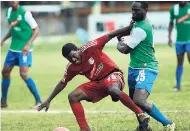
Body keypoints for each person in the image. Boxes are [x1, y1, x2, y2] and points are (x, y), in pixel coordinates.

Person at [37, 25, 150, 131]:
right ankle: (85, 129)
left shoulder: (91, 46)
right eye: (70, 59)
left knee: (113, 90)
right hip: (98, 83)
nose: (74, 60)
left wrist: (129, 28)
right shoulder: (72, 67)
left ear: (78, 49)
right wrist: (48, 100)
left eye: (74, 56)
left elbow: (110, 35)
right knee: (73, 96)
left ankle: (140, 114)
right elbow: (62, 83)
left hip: (113, 75)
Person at [117, 1, 175, 131]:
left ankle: (168, 123)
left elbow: (125, 49)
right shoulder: (138, 23)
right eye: (132, 10)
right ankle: (144, 127)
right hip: (133, 67)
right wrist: (122, 38)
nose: (133, 13)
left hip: (146, 67)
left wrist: (119, 43)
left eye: (137, 10)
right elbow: (125, 39)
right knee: (133, 100)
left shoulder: (141, 28)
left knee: (139, 100)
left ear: (146, 10)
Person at [1, 1, 41, 108]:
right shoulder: (8, 11)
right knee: (5, 72)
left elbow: (36, 29)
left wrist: (28, 44)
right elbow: (12, 29)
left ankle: (39, 101)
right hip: (13, 48)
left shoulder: (25, 13)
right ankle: (3, 102)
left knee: (23, 74)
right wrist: (3, 39)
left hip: (24, 49)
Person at [168, 1, 190, 91]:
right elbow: (171, 23)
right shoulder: (174, 9)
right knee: (179, 62)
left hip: (189, 40)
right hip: (179, 41)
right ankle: (178, 86)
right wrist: (169, 37)